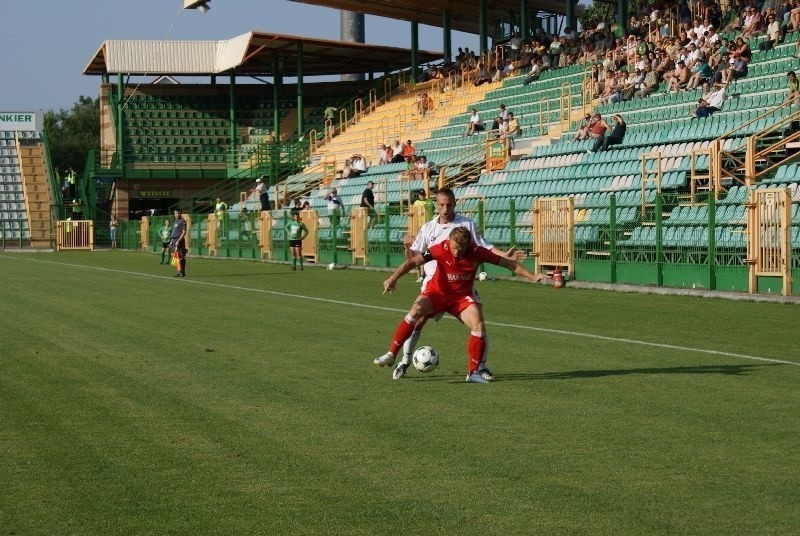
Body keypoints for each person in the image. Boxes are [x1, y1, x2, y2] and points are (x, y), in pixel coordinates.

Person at [375, 187, 516, 381]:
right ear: (436, 205)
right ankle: (404, 361)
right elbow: (414, 257)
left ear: (455, 203)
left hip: (460, 286)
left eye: (449, 204)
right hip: (434, 284)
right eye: (441, 205)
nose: (445, 208)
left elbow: (485, 247)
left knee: (478, 324)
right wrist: (407, 245)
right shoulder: (428, 228)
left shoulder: (466, 224)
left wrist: (504, 256)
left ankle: (479, 367)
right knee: (418, 320)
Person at [375, 227, 542, 383]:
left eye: (461, 249)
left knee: (478, 323)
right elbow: (412, 262)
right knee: (416, 310)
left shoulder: (477, 251)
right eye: (454, 247)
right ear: (449, 241)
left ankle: (473, 372)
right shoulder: (439, 248)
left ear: (468, 244)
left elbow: (509, 264)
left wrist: (533, 277)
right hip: (436, 294)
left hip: (461, 298)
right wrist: (393, 278)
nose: (456, 252)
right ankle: (391, 354)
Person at [170, 208, 187, 278]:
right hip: (174, 240)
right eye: (175, 213)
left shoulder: (182, 221)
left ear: (180, 213)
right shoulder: (175, 221)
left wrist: (178, 241)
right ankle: (180, 272)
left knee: (181, 256)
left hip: (179, 241)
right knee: (177, 257)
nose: (176, 214)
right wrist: (171, 241)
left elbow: (184, 232)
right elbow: (174, 232)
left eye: (178, 213)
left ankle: (182, 272)